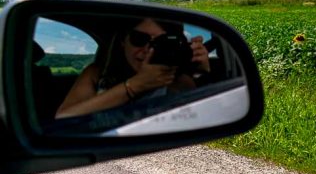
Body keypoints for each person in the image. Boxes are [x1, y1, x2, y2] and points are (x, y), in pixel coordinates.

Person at [55, 17, 210, 119]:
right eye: (139, 39)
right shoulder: (97, 73)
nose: (148, 50)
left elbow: (205, 115)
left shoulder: (177, 80)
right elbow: (63, 118)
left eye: (161, 43)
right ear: (123, 41)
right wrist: (134, 86)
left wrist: (201, 73)